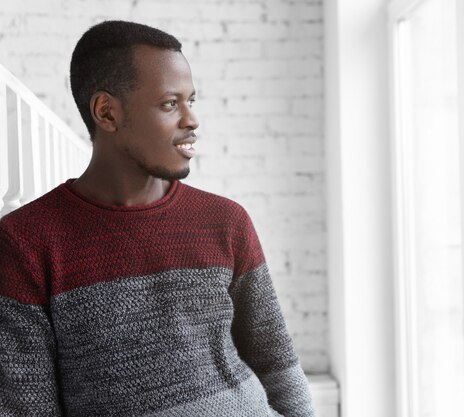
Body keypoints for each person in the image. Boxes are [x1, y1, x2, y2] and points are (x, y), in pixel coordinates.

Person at [0, 20, 314, 417]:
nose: (192, 119)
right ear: (107, 112)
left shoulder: (225, 221)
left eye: (191, 101)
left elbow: (278, 364)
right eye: (170, 103)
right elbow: (25, 407)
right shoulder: (25, 241)